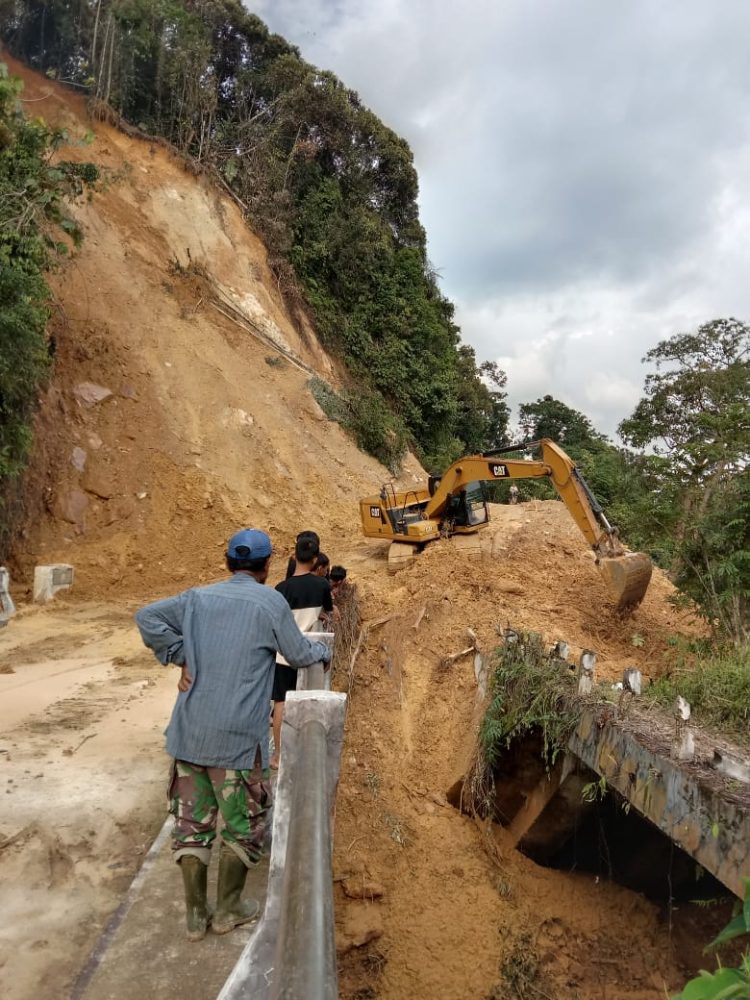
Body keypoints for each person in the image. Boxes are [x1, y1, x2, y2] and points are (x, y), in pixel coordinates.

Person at [134, 528, 331, 942]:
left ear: (228, 561)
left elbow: (146, 616)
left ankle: (193, 916)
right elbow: (297, 653)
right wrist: (324, 652)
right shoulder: (269, 602)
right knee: (243, 823)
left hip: (190, 735)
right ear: (265, 566)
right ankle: (227, 910)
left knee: (191, 822)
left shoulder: (197, 598)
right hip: (239, 742)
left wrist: (179, 654)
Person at [271, 534, 333, 769]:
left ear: (294, 555)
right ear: (316, 559)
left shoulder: (280, 588)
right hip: (310, 654)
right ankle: (308, 750)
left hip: (284, 654)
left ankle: (277, 754)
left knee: (281, 703)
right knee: (308, 701)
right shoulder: (322, 585)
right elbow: (327, 609)